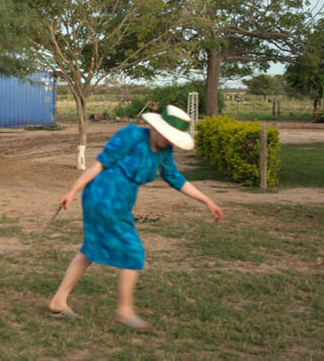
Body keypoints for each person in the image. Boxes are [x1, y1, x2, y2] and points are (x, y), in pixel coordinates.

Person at [47, 105, 224, 331]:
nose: (170, 142)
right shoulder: (131, 135)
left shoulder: (163, 152)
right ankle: (124, 312)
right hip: (103, 197)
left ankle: (58, 301)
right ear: (157, 128)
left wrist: (207, 201)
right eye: (168, 136)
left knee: (90, 249)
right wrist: (73, 190)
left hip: (120, 202)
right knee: (132, 251)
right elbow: (100, 163)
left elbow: (175, 178)